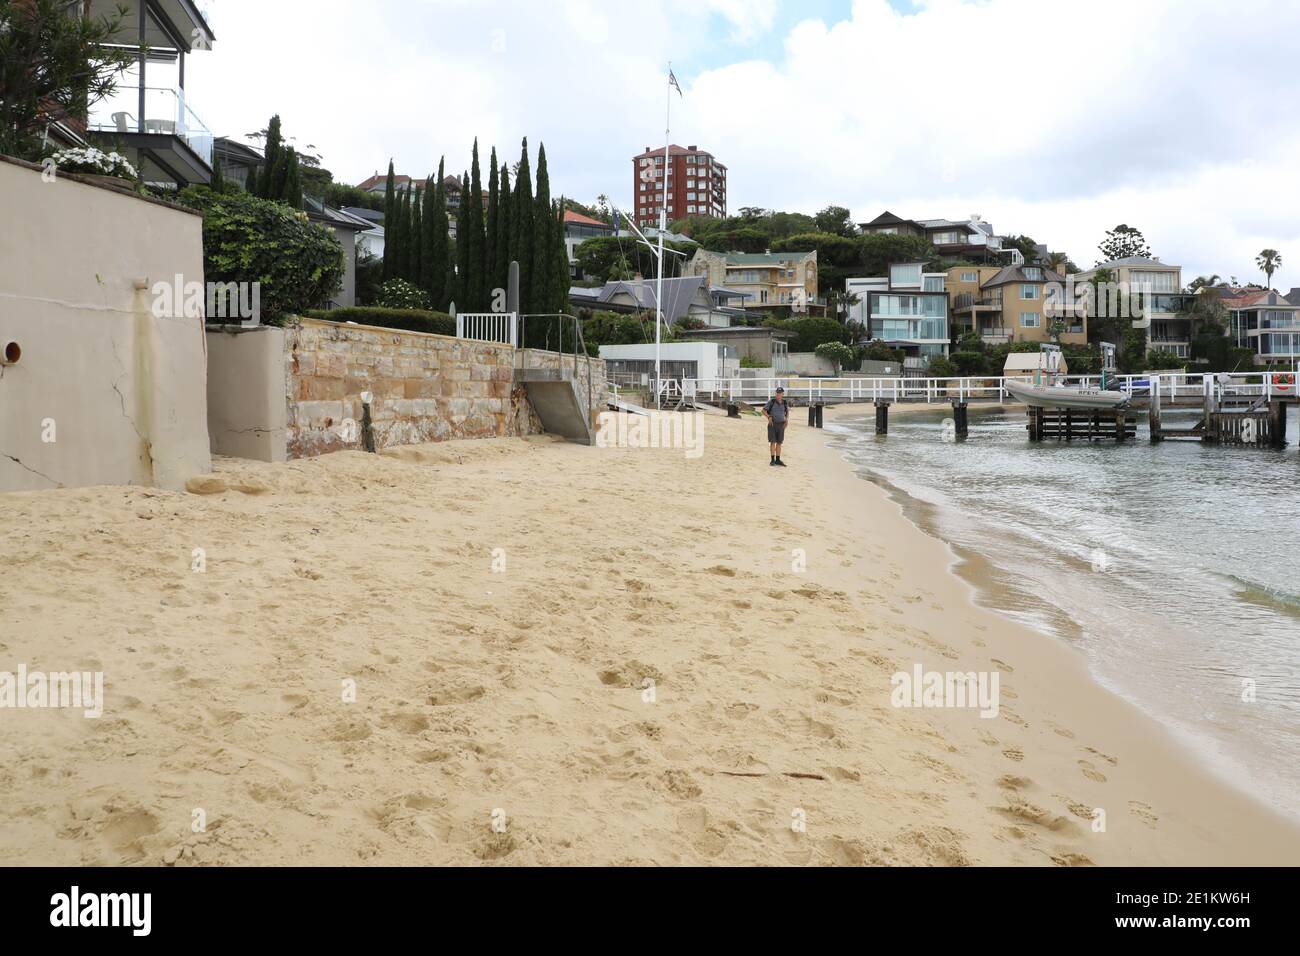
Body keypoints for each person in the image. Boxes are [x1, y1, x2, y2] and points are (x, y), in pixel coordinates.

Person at [763, 387, 790, 467]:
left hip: (781, 425)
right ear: (776, 393)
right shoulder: (772, 402)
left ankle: (778, 460)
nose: (778, 394)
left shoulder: (785, 402)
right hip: (772, 425)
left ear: (782, 394)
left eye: (780, 393)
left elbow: (787, 412)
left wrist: (786, 420)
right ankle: (772, 460)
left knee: (779, 442)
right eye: (777, 393)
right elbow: (763, 411)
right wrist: (768, 417)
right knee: (773, 442)